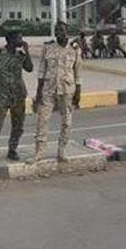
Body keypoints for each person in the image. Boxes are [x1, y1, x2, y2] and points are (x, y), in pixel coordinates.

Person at [29, 22, 82, 163]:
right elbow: (41, 71)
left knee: (67, 122)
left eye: (61, 30)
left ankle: (62, 151)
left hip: (67, 89)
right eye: (57, 30)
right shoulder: (48, 47)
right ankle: (39, 152)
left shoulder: (74, 49)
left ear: (67, 31)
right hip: (49, 89)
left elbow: (78, 72)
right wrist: (38, 92)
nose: (59, 33)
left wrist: (78, 92)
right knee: (42, 120)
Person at [0, 31, 34, 165]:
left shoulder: (20, 55)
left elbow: (29, 68)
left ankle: (12, 149)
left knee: (18, 125)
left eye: (21, 38)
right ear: (9, 39)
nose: (21, 40)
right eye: (18, 38)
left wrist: (27, 51)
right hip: (2, 95)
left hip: (18, 94)